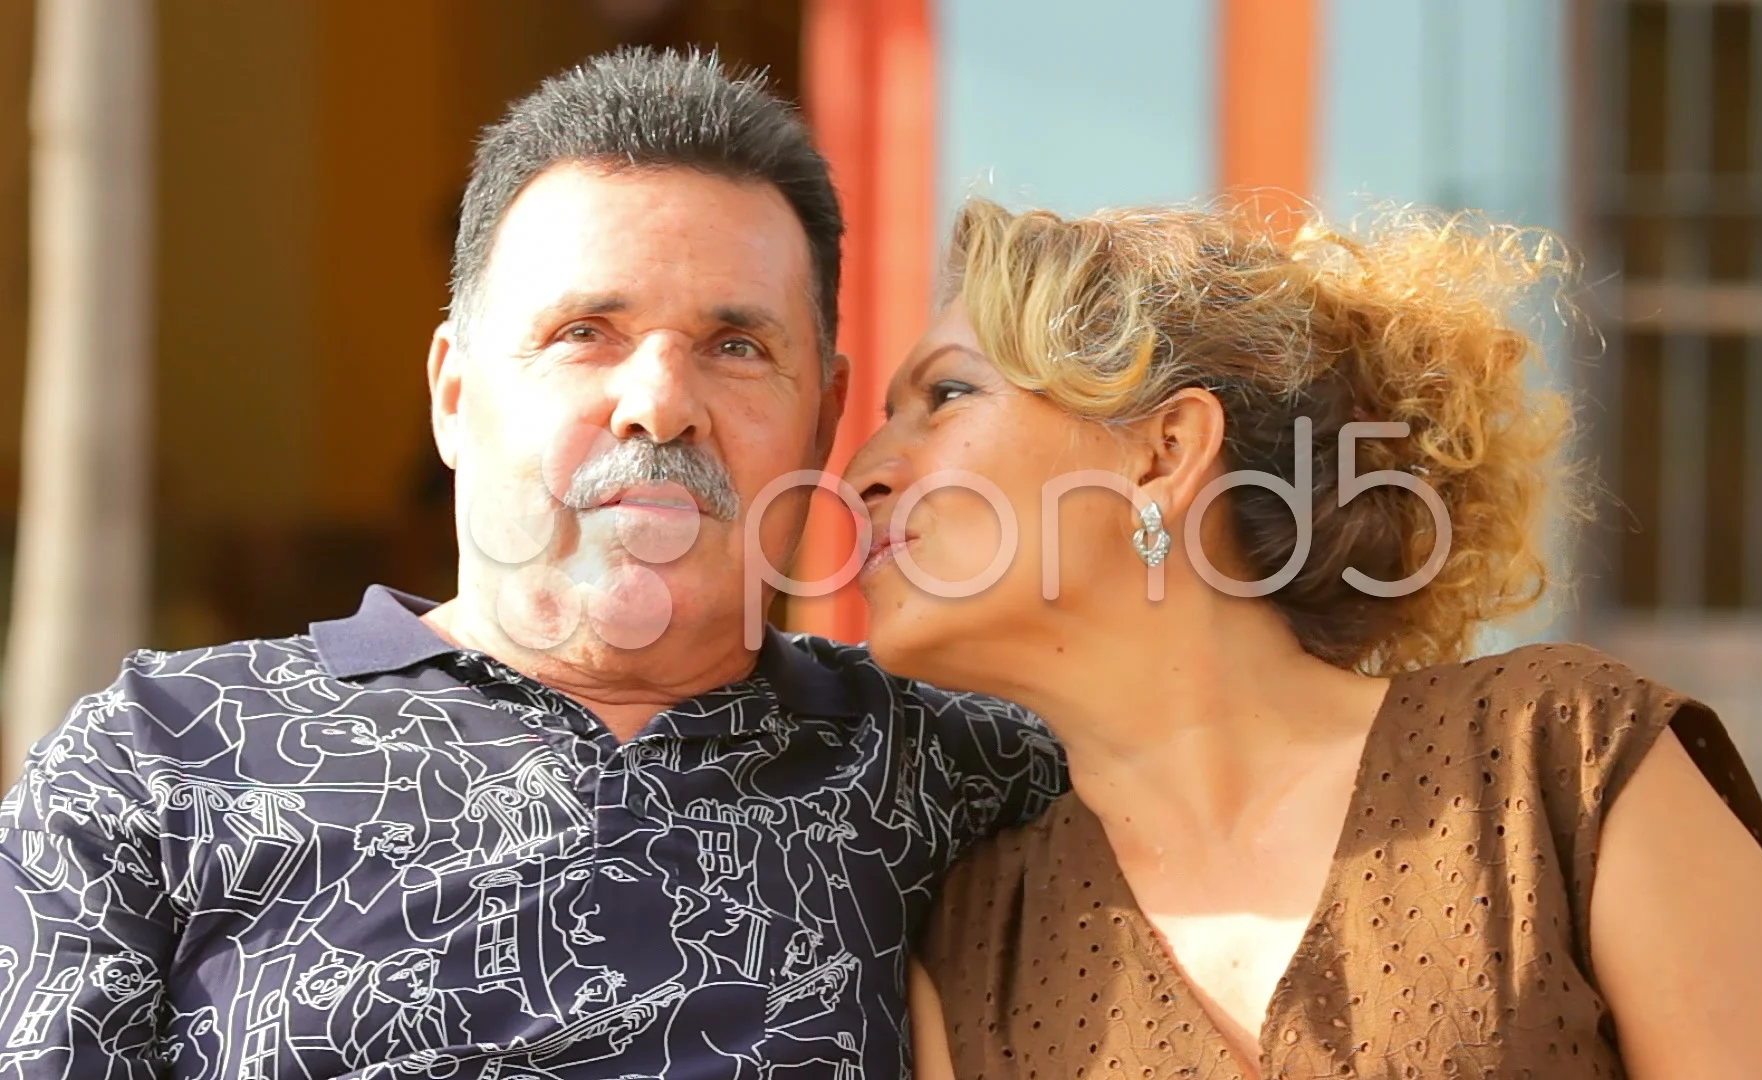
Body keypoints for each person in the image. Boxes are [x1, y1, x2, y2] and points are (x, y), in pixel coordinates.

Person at [0, 50, 1062, 1078]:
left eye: (736, 345)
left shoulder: (961, 778)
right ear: (453, 394)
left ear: (823, 420)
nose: (661, 402)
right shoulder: (158, 762)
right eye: (586, 332)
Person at [847, 198, 1762, 1079]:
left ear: (1164, 452)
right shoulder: (976, 946)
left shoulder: (1556, 762)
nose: (864, 471)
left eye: (947, 395)